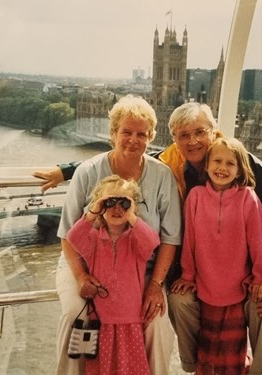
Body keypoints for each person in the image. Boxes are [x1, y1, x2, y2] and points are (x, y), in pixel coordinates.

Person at [34, 102, 262, 374]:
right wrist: (66, 170)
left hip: (235, 272)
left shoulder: (239, 164)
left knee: (255, 309)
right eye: (183, 135)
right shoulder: (172, 161)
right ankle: (195, 365)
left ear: (213, 132)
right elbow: (123, 154)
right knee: (80, 316)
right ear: (174, 139)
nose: (193, 141)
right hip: (95, 266)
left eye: (200, 132)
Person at [54, 94, 182, 375]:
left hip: (142, 270)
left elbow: (171, 238)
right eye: (126, 132)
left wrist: (155, 285)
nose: (133, 140)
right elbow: (67, 234)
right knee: (75, 314)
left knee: (157, 324)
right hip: (84, 264)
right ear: (113, 133)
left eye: (141, 134)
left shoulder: (162, 176)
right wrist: (81, 277)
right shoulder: (88, 172)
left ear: (151, 137)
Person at [171, 137, 262, 374]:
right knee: (208, 348)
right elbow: (189, 240)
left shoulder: (248, 198)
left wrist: (258, 277)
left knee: (232, 350)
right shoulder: (195, 196)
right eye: (217, 161)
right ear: (206, 165)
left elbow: (260, 241)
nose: (222, 168)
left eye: (230, 163)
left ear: (239, 171)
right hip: (205, 286)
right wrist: (187, 274)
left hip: (237, 287)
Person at [66, 175, 160, 375]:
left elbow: (152, 242)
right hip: (101, 321)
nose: (117, 208)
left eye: (123, 203)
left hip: (130, 321)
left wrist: (132, 215)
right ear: (100, 206)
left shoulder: (137, 241)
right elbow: (72, 238)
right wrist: (93, 211)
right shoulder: (93, 240)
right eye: (110, 203)